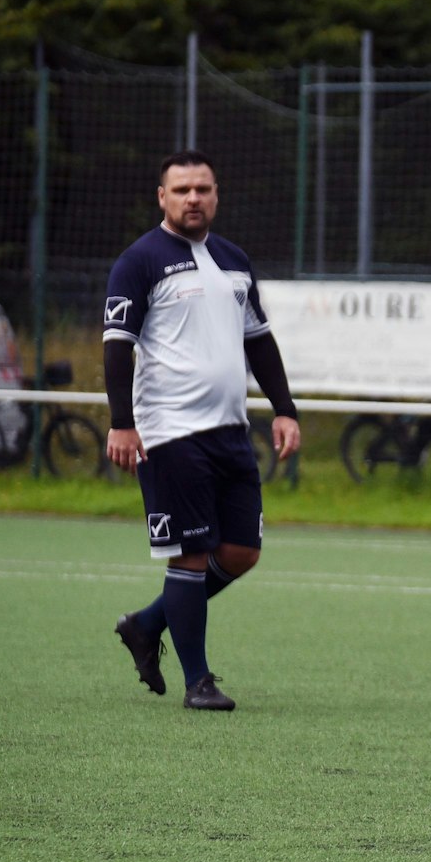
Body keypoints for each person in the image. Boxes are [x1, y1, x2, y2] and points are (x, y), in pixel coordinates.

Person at [104, 150, 301, 711]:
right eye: (182, 190)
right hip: (170, 433)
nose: (194, 198)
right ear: (162, 197)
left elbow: (258, 339)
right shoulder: (138, 261)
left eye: (204, 189)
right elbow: (117, 346)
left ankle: (146, 624)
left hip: (231, 433)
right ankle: (199, 683)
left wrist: (284, 408)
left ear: (217, 195)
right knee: (190, 556)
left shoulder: (234, 260)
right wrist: (123, 423)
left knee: (240, 552)